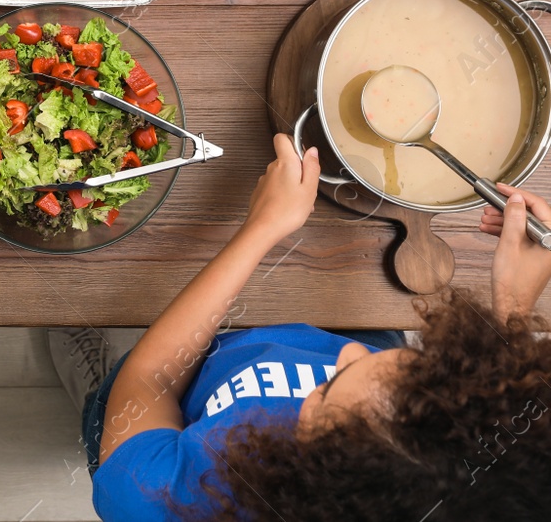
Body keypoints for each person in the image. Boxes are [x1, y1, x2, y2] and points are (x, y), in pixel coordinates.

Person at [47, 134, 551, 522]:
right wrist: (511, 315)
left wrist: (261, 228)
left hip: (158, 396)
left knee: (115, 397)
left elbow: (152, 376)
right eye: (420, 362)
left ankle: (91, 383)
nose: (349, 353)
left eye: (329, 392)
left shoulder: (156, 497)